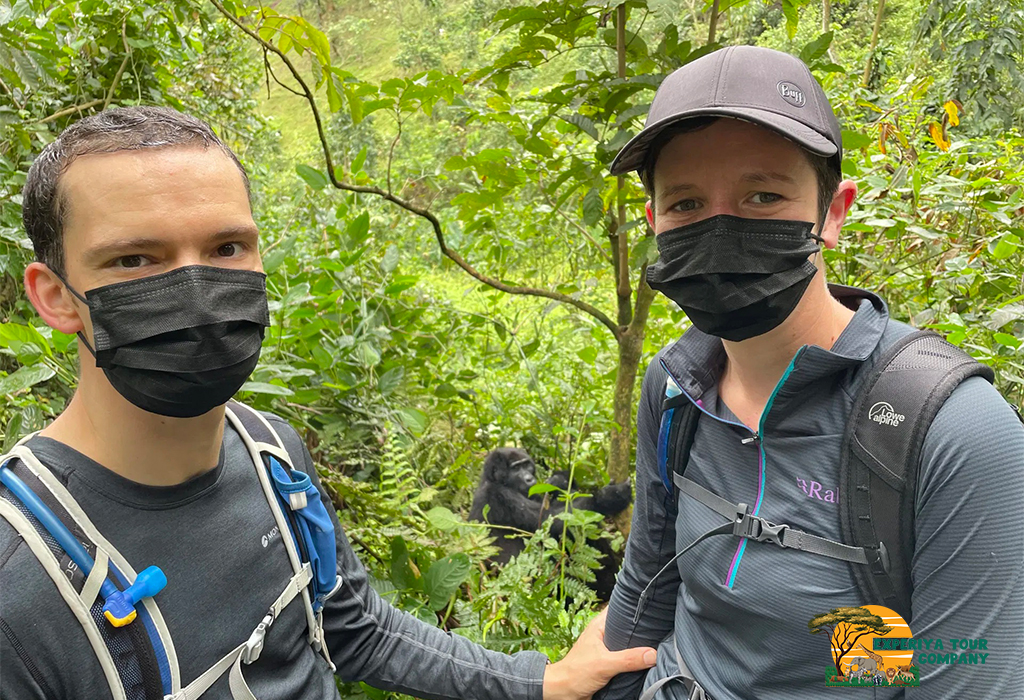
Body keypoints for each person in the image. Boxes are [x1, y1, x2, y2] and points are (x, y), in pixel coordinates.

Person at [0, 106, 657, 700]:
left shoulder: (272, 453)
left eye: (227, 248)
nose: (197, 289)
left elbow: (357, 629)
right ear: (55, 296)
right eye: (135, 259)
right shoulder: (18, 574)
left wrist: (541, 681)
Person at [595, 45, 1024, 699]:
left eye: (763, 195)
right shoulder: (676, 384)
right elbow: (646, 592)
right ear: (654, 222)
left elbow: (961, 669)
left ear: (833, 212)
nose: (719, 228)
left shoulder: (955, 431)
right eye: (686, 204)